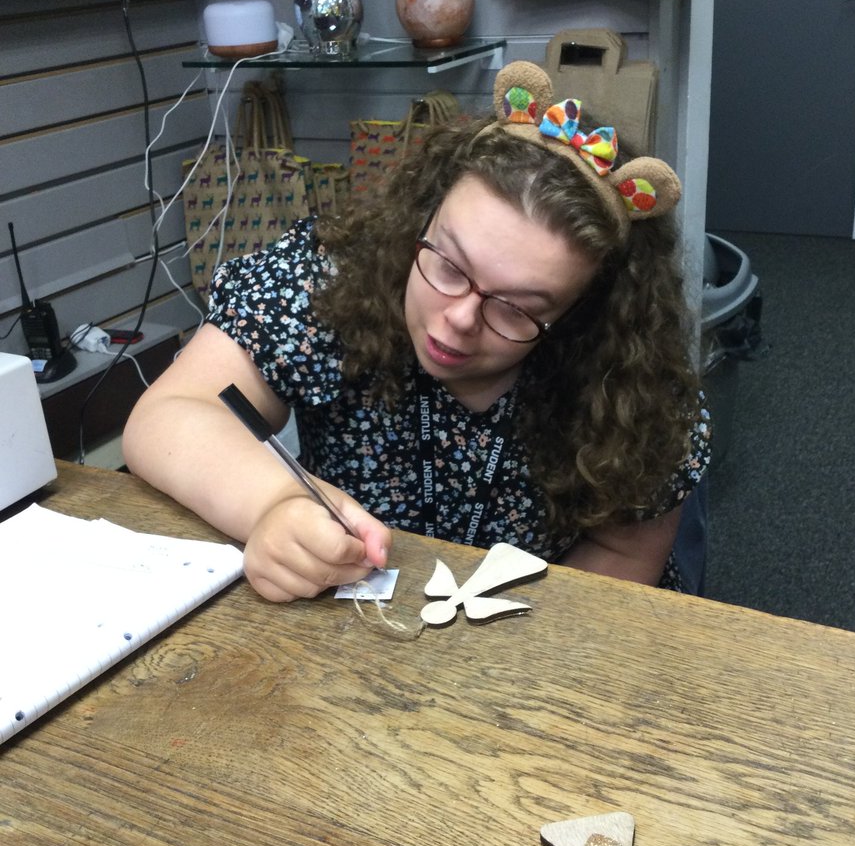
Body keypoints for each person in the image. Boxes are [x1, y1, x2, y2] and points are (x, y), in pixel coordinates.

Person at [123, 60, 710, 602]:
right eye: (449, 265)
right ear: (422, 217)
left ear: (578, 314)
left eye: (515, 309)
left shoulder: (632, 384)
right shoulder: (328, 281)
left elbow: (623, 552)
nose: (459, 318)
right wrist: (271, 504)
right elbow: (168, 414)